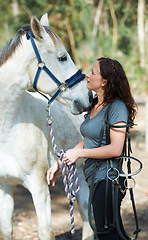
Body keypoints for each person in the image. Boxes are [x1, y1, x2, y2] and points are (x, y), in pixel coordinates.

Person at [47, 57, 137, 240]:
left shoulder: (117, 108)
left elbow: (115, 149)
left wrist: (79, 153)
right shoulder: (96, 105)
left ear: (104, 81)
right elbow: (88, 140)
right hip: (95, 179)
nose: (87, 75)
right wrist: (61, 162)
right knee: (112, 232)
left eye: (93, 73)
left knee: (107, 233)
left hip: (108, 180)